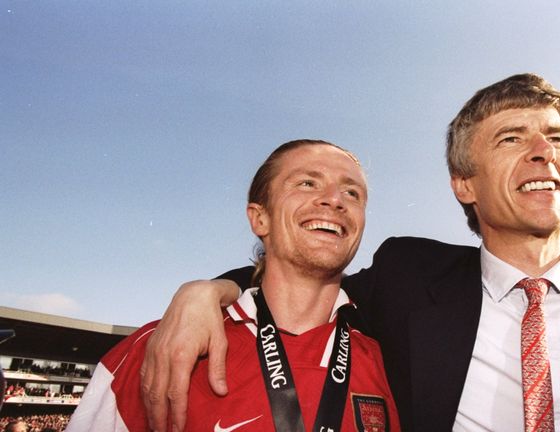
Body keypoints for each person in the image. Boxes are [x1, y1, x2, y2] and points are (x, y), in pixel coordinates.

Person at [141, 74, 560, 431]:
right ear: (463, 184)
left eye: (555, 138)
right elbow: (302, 271)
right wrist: (209, 290)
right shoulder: (409, 278)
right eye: (511, 138)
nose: (542, 152)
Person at [66, 140, 400, 431]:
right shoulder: (160, 347)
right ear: (260, 218)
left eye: (352, 192)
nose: (334, 200)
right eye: (307, 183)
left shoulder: (388, 361)